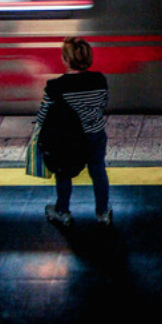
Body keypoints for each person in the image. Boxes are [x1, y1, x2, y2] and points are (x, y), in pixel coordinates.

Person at [39, 37, 111, 228]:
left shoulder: (55, 87)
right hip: (95, 134)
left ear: (66, 60)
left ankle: (62, 211)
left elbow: (43, 116)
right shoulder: (99, 80)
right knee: (98, 170)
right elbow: (103, 104)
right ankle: (102, 212)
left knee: (63, 173)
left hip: (67, 139)